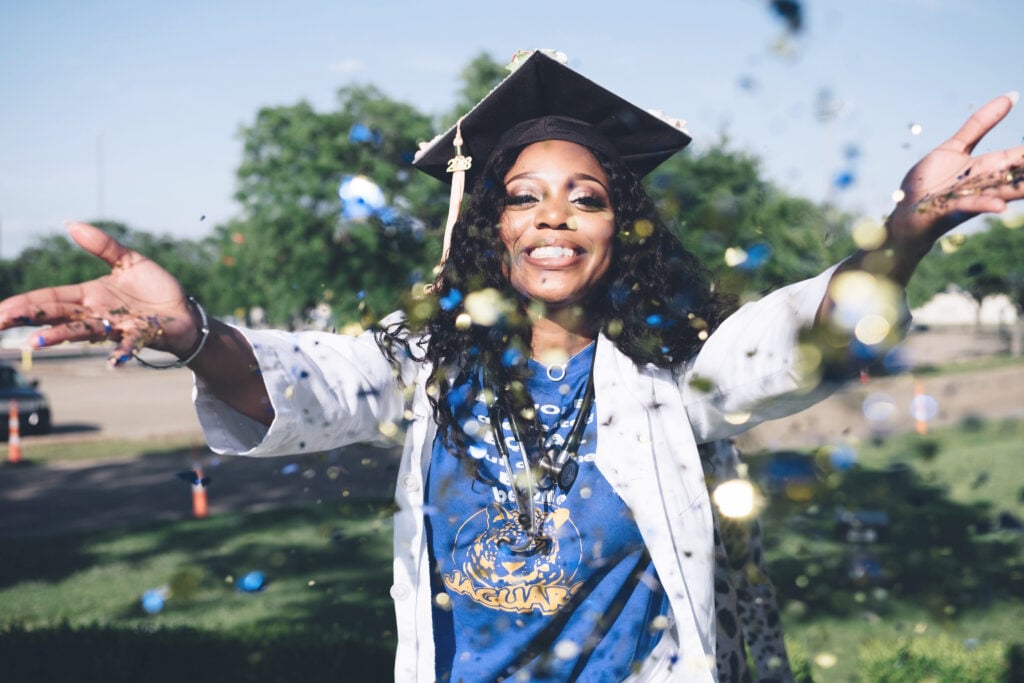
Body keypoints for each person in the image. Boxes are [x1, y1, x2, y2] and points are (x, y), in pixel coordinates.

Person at [0, 49, 1021, 682]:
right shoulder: (424, 366)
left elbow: (803, 333)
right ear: (487, 225)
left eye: (586, 196)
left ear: (621, 225)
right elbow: (300, 380)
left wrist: (908, 228)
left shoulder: (674, 375)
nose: (554, 218)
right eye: (524, 196)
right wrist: (191, 333)